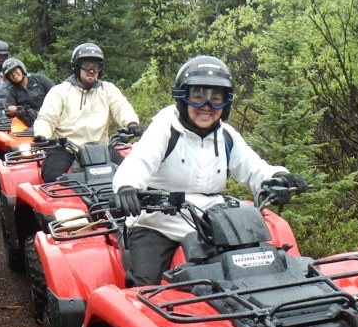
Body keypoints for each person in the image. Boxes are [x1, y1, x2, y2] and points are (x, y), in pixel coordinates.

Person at [112, 55, 308, 287]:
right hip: (158, 220)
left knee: (258, 267)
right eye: (197, 97)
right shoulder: (165, 128)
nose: (207, 107)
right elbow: (139, 161)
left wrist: (277, 178)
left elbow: (253, 167)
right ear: (183, 99)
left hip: (211, 220)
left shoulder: (226, 135)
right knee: (145, 285)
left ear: (226, 104)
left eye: (216, 99)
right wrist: (127, 187)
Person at [32, 42, 142, 182]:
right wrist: (42, 135)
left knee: (132, 174)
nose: (91, 70)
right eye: (86, 66)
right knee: (51, 177)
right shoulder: (60, 91)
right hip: (67, 149)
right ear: (76, 67)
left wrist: (131, 123)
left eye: (96, 66)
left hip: (101, 148)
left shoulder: (108, 89)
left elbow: (121, 107)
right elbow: (47, 118)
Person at [1, 57, 54, 126]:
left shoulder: (39, 79)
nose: (14, 74)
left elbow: (56, 94)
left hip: (49, 116)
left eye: (15, 70)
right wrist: (12, 110)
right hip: (28, 123)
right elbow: (9, 109)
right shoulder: (11, 91)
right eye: (10, 73)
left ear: (21, 69)